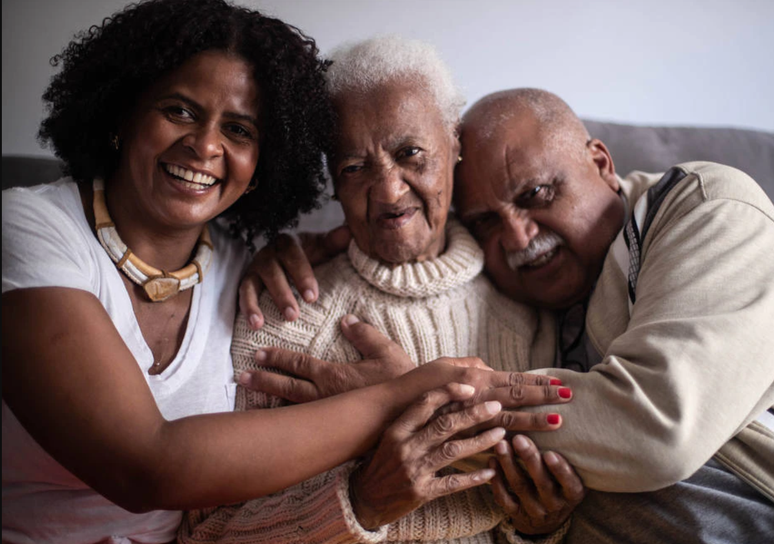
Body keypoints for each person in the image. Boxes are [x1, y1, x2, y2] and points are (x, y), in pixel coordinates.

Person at [0, 2, 564, 541]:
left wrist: (540, 526)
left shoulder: (248, 270)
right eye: (180, 110)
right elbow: (151, 472)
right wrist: (404, 396)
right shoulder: (33, 228)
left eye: (239, 130)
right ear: (122, 110)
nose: (204, 146)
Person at [240, 88, 774, 542]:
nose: (519, 237)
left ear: (601, 163)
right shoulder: (506, 290)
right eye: (486, 222)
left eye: (537, 194)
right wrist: (284, 248)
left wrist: (412, 398)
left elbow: (657, 430)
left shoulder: (706, 209)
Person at [180, 37, 582, 544]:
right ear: (331, 177)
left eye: (410, 153)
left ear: (454, 144)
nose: (389, 191)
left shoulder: (526, 305)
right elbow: (207, 532)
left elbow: (532, 506)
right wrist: (362, 503)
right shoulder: (284, 313)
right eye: (354, 168)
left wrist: (540, 526)